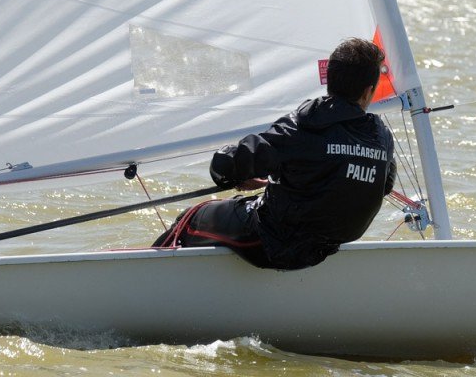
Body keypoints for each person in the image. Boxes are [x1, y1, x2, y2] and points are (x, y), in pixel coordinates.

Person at [152, 37, 396, 270]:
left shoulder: (302, 127)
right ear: (368, 91)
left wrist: (237, 174)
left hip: (272, 242)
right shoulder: (381, 136)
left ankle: (147, 279)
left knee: (191, 217)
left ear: (329, 81)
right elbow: (379, 186)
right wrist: (280, 177)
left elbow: (224, 165)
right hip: (325, 246)